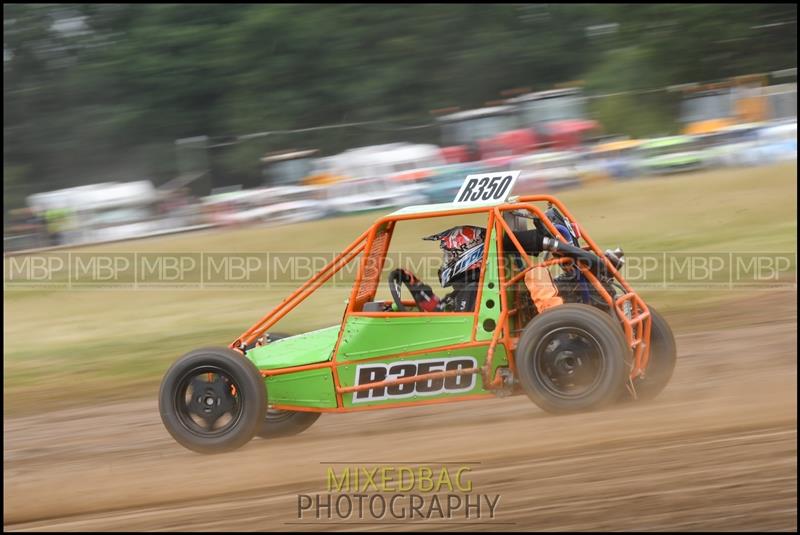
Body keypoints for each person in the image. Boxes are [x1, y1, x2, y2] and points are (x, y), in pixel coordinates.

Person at [395, 225, 487, 312]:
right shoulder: (464, 290)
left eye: (449, 255)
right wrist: (416, 285)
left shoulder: (472, 290)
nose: (446, 260)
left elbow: (454, 325)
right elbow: (439, 309)